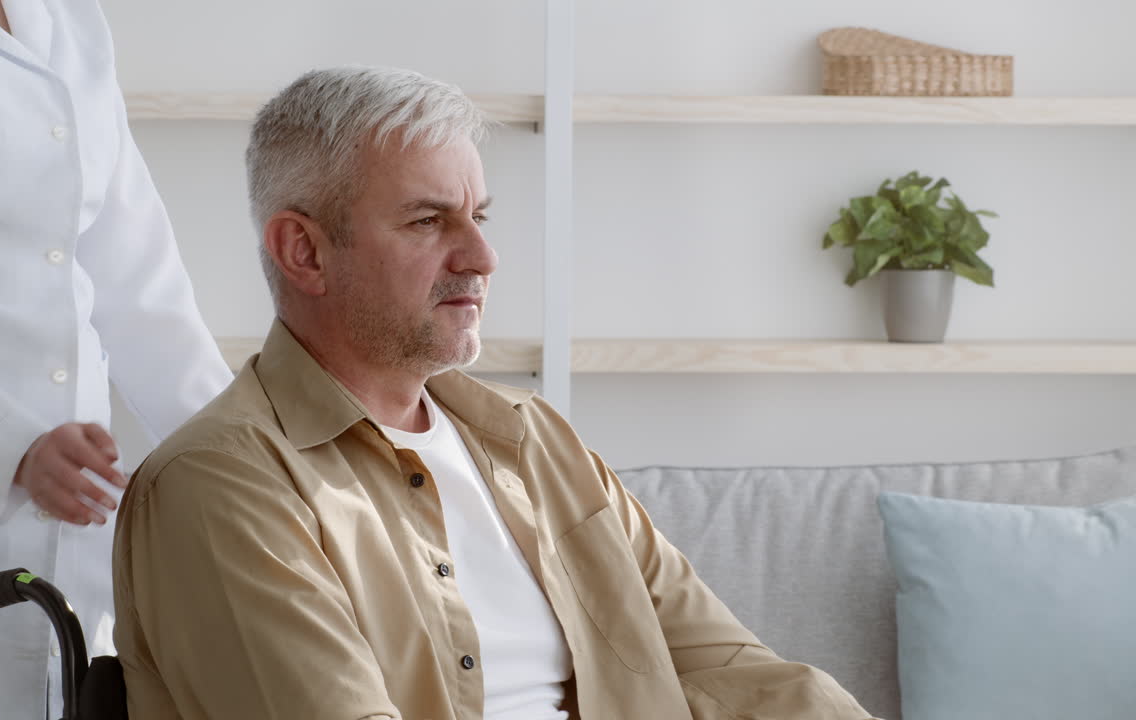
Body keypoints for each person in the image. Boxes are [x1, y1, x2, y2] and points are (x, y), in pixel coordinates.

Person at [112, 65, 873, 720]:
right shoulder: (218, 485)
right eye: (427, 220)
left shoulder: (534, 440)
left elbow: (735, 675)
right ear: (304, 251)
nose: (483, 255)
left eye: (477, 216)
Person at [0, 2, 233, 719]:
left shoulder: (70, 21)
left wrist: (245, 463)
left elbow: (142, 289)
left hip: (66, 532)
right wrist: (8, 445)